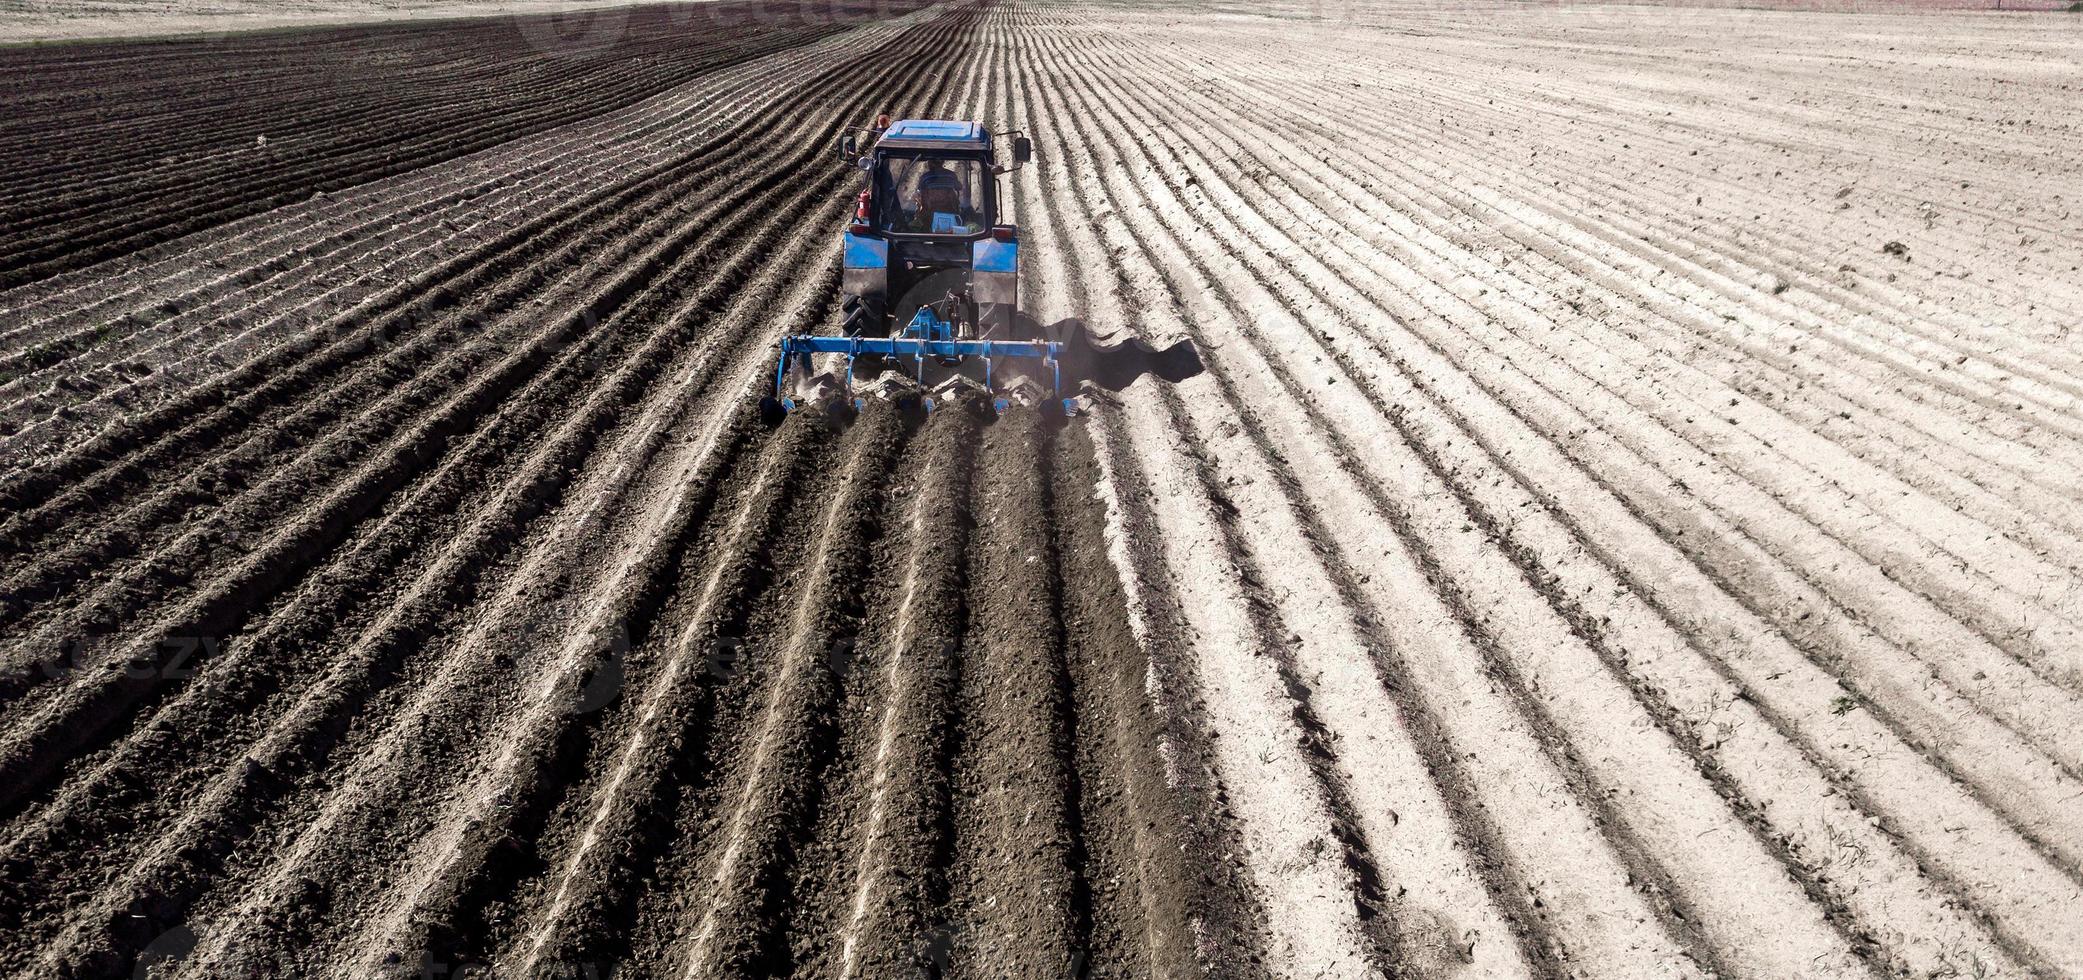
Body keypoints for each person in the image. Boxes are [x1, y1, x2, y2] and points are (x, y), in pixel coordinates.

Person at [909, 163, 980, 234]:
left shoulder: (924, 177)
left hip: (930, 211)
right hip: (949, 210)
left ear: (930, 163)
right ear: (942, 162)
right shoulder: (951, 175)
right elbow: (959, 187)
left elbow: (920, 192)